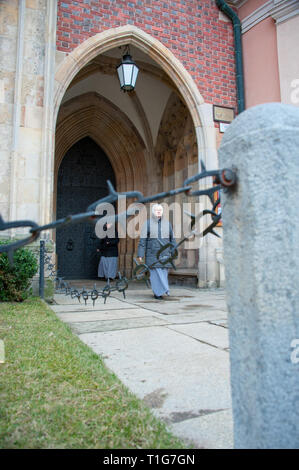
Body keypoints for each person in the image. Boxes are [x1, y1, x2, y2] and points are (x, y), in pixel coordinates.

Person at [137, 204, 174, 300]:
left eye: (160, 210)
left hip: (165, 254)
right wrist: (140, 254)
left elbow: (172, 239)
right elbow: (143, 240)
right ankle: (158, 292)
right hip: (152, 254)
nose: (158, 211)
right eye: (156, 210)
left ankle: (162, 290)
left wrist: (173, 251)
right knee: (155, 275)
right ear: (153, 212)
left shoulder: (167, 224)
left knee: (163, 273)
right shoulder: (148, 224)